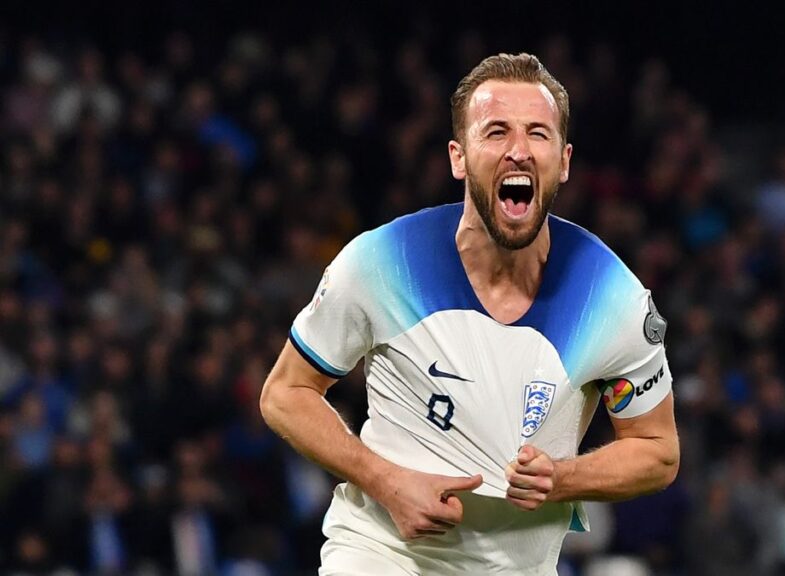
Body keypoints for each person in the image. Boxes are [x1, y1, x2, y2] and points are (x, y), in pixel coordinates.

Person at [260, 52, 679, 575]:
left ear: (565, 161)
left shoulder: (613, 299)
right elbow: (285, 393)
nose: (519, 151)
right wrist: (385, 480)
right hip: (381, 554)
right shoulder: (381, 263)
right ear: (459, 157)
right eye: (497, 132)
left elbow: (657, 451)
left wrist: (562, 479)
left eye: (538, 134)